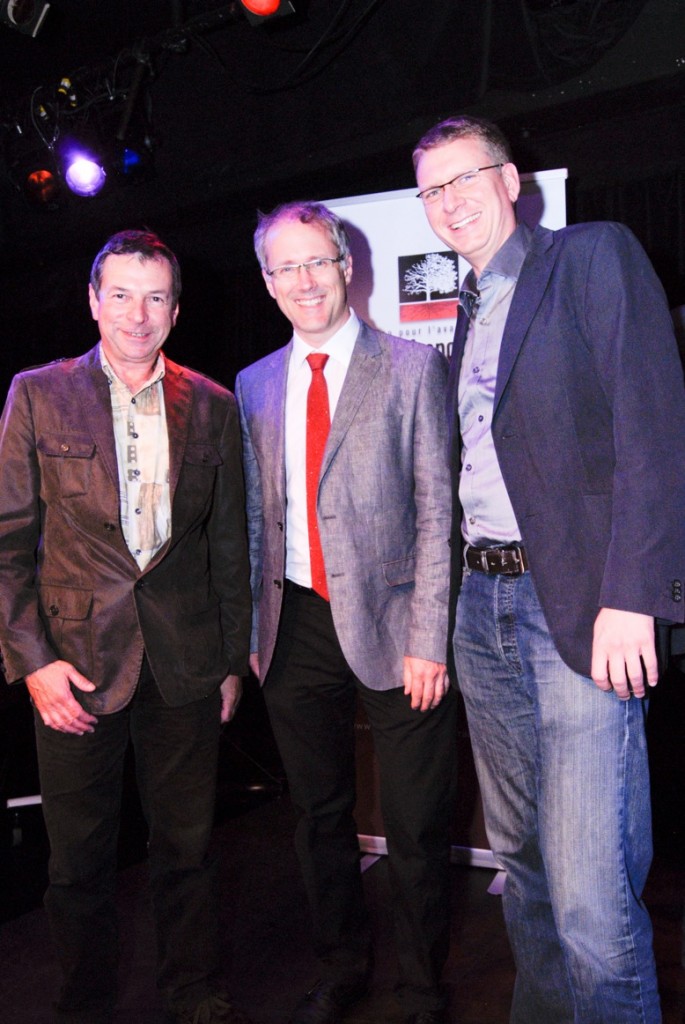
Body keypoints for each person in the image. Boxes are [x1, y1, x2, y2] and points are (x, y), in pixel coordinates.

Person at [413, 114, 685, 1023]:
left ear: (511, 180)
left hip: (571, 603)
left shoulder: (590, 256)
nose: (449, 201)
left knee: (587, 893)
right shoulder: (464, 308)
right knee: (522, 868)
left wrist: (633, 595)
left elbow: (651, 428)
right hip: (480, 606)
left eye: (464, 178)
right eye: (431, 189)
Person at [0, 230, 255, 1024]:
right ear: (92, 301)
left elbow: (228, 546)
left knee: (188, 849)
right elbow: (7, 541)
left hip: (184, 662)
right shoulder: (38, 394)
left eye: (154, 297)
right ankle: (84, 1005)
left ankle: (194, 994)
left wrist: (231, 662)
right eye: (120, 294)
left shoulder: (214, 405)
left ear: (175, 311)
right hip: (74, 665)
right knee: (78, 864)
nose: (136, 314)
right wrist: (32, 662)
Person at [235, 201, 456, 1024]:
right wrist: (250, 638)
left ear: (346, 265)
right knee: (317, 817)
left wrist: (429, 637)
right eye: (284, 267)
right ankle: (341, 966)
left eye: (316, 262)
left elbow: (439, 512)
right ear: (267, 282)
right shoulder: (253, 384)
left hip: (401, 633)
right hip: (291, 630)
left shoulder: (409, 368)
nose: (303, 281)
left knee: (415, 825)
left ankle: (422, 987)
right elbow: (254, 518)